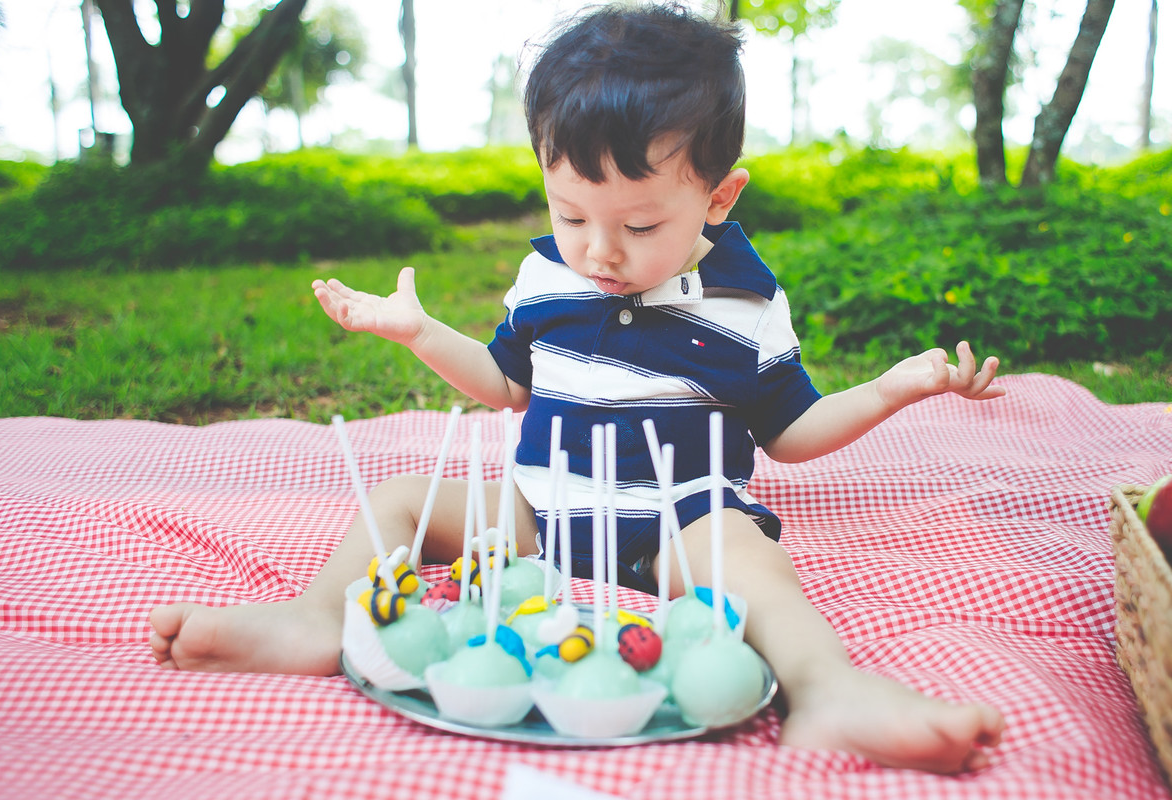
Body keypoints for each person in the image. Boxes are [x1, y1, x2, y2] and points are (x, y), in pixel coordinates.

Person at [149, 2, 1006, 774]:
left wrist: (892, 390)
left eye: (638, 225)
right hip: (538, 513)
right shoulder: (547, 281)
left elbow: (792, 432)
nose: (599, 251)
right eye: (570, 216)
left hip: (681, 522)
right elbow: (502, 386)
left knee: (752, 561)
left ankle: (827, 692)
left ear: (718, 196)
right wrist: (419, 332)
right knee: (403, 497)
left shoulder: (746, 304)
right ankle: (314, 619)